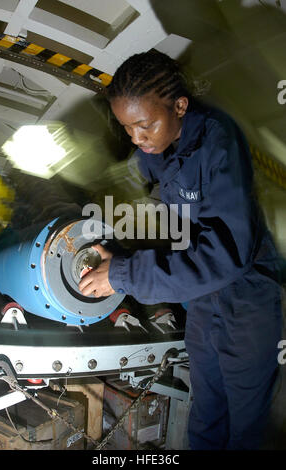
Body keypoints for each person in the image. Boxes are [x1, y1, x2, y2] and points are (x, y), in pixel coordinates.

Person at [79, 51, 283, 450]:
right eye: (127, 128)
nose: (137, 139)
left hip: (246, 296)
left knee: (247, 420)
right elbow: (132, 181)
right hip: (202, 296)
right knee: (206, 407)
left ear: (180, 106)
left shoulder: (218, 143)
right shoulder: (159, 145)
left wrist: (122, 274)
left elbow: (226, 255)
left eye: (144, 125)